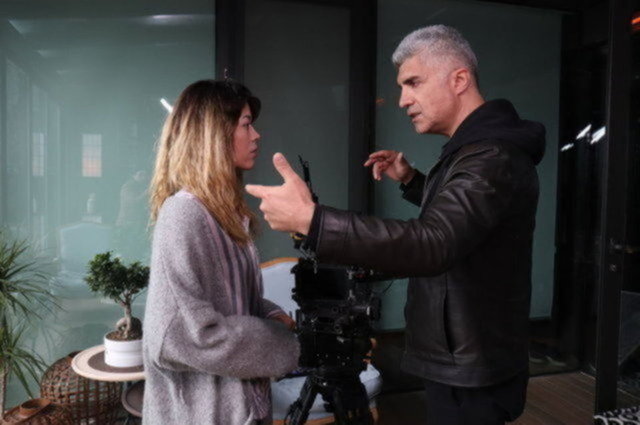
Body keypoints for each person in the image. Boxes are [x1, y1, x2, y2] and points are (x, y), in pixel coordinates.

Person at [246, 25, 545, 425]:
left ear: (459, 80)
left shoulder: (490, 156)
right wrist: (413, 180)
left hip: (472, 365)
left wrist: (314, 221)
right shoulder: (475, 151)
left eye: (413, 83)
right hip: (465, 357)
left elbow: (436, 241)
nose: (403, 100)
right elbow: (468, 219)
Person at [143, 79, 299, 425]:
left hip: (242, 408)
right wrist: (284, 344)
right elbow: (176, 334)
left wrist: (271, 313)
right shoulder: (184, 214)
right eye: (246, 124)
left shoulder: (224, 213)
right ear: (215, 134)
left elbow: (226, 302)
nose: (256, 135)